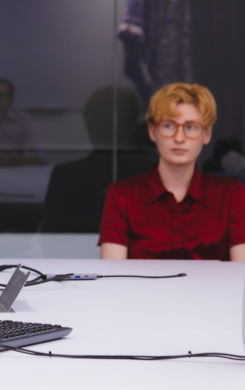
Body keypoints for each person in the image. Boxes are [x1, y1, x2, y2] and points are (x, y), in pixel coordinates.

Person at [99, 82, 245, 260]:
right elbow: (113, 277)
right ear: (152, 132)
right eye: (169, 126)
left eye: (191, 127)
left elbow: (242, 274)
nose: (179, 138)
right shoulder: (122, 195)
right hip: (141, 289)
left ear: (207, 135)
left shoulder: (231, 193)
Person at [42, 86, 154, 232]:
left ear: (88, 124)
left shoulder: (66, 176)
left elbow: (50, 242)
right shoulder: (155, 174)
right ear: (133, 126)